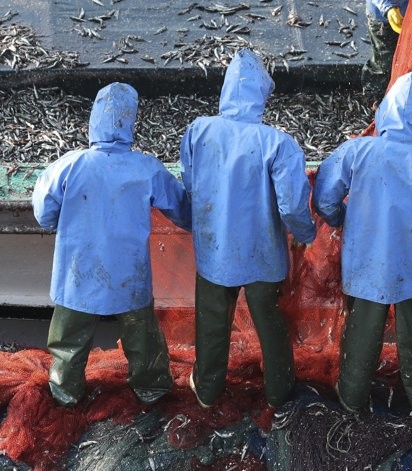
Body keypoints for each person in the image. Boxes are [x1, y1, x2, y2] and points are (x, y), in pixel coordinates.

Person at [32, 82, 191, 407]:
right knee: (143, 340)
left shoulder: (70, 164)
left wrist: (56, 224)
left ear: (93, 121)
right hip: (128, 276)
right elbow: (183, 210)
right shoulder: (147, 167)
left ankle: (67, 395)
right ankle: (153, 392)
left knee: (68, 343)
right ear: (131, 123)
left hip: (77, 274)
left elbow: (43, 210)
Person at [180, 49, 317, 409]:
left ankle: (207, 391)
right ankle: (280, 394)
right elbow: (291, 207)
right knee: (272, 328)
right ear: (261, 95)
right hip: (263, 257)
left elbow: (191, 186)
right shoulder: (277, 143)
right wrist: (307, 236)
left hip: (213, 255)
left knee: (211, 326)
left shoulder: (198, 131)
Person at [313, 70, 412, 416]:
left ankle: (351, 402)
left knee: (360, 338)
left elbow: (325, 197)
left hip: (365, 265)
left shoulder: (356, 151)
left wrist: (342, 220)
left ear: (384, 111)